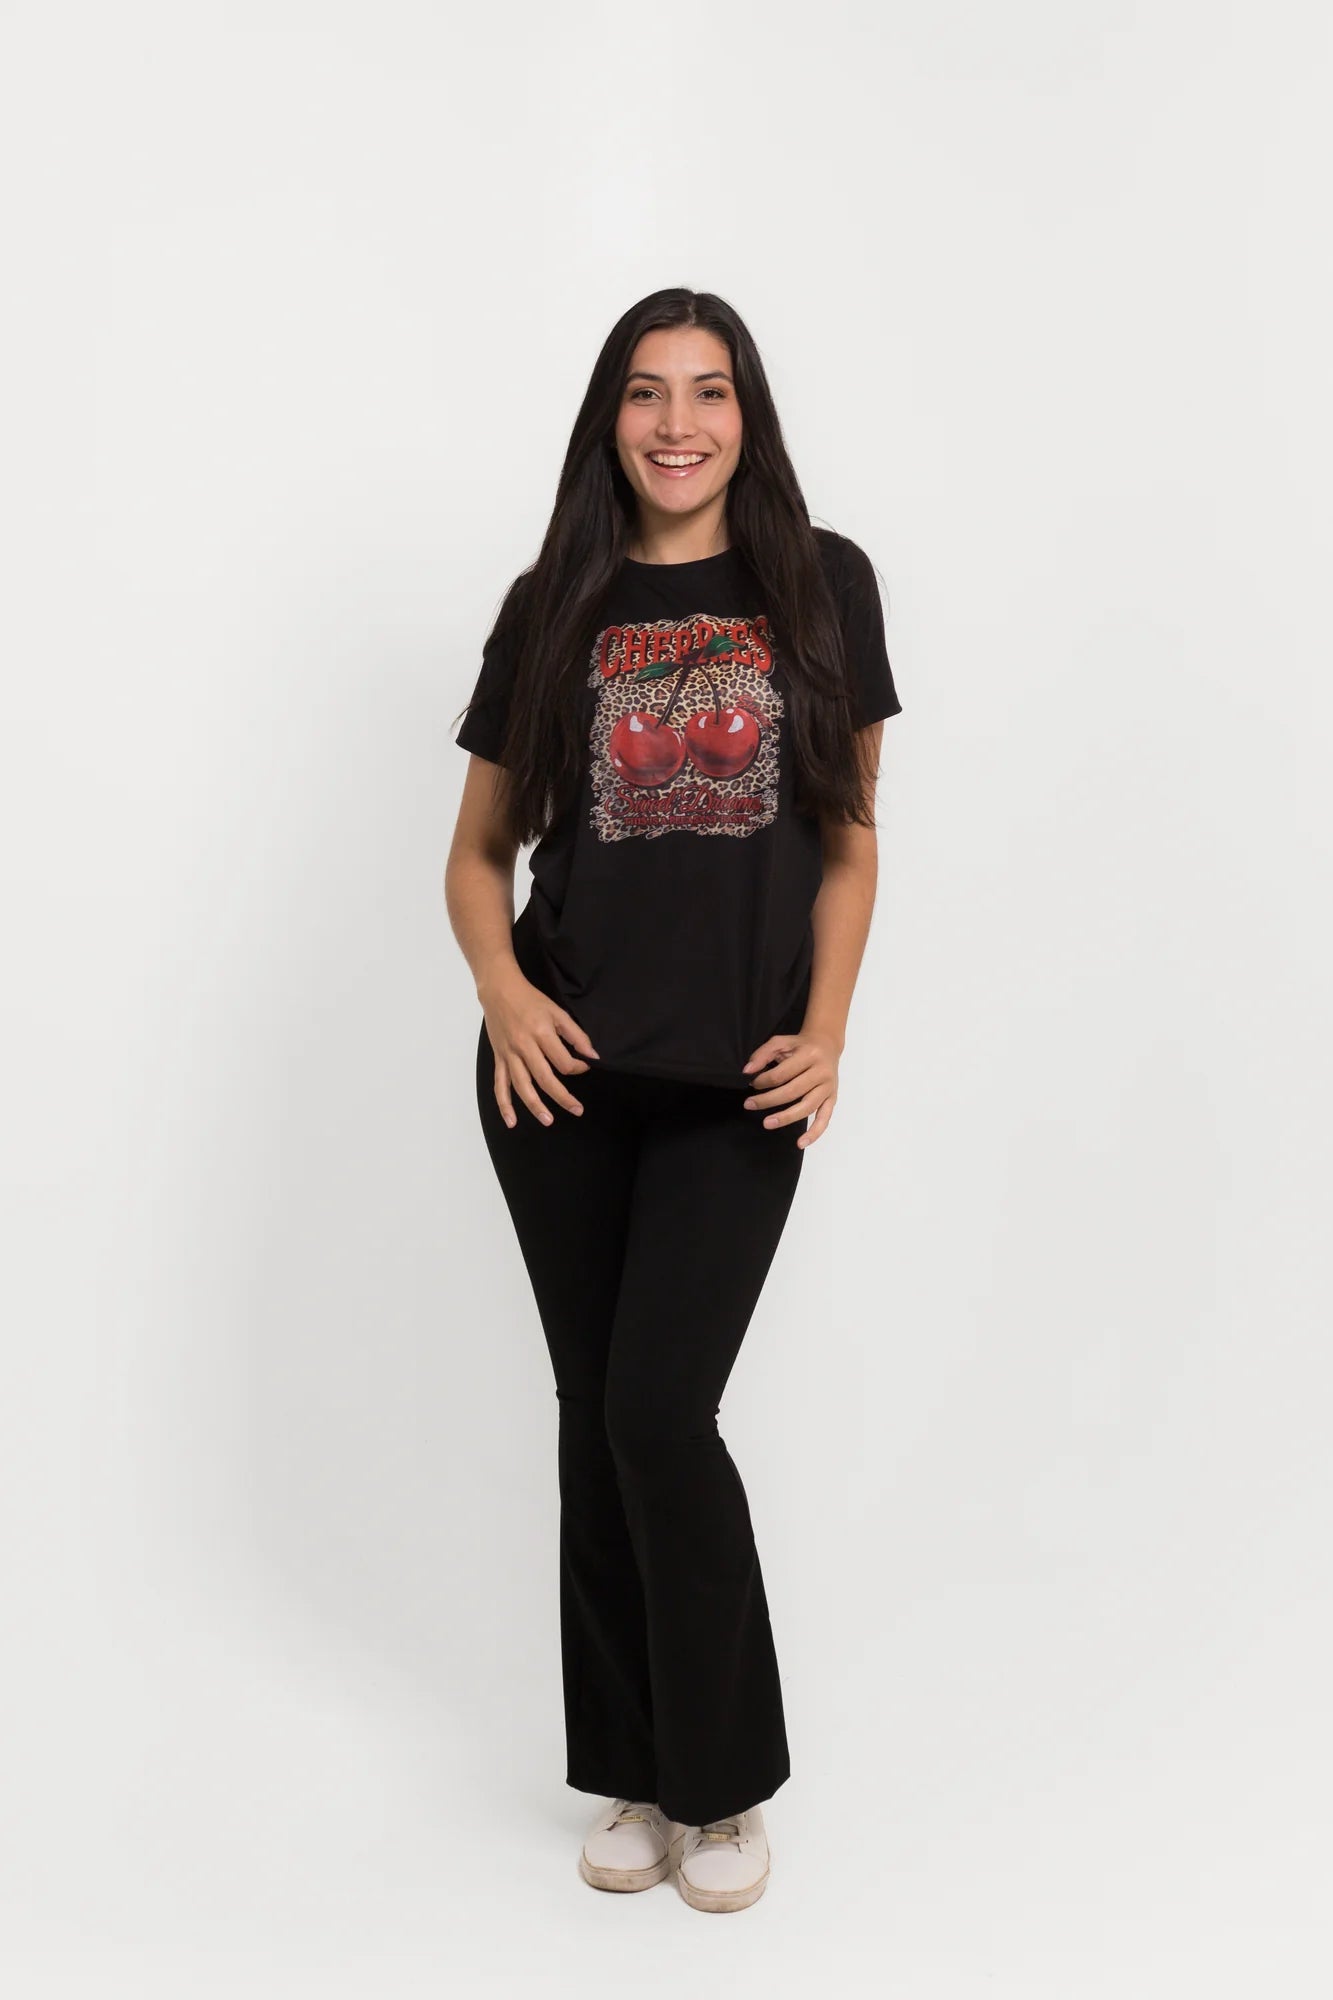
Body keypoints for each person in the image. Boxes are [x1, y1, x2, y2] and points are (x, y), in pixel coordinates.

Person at [444, 288, 902, 1913]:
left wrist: (825, 1032)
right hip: (557, 1076)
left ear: (745, 415)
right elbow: (476, 854)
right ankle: (635, 1770)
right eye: (645, 393)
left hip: (733, 1081)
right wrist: (502, 993)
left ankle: (723, 1788)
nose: (677, 423)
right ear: (610, 419)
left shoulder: (819, 583)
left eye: (708, 391)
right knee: (596, 1416)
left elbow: (848, 845)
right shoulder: (551, 601)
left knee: (657, 1409)